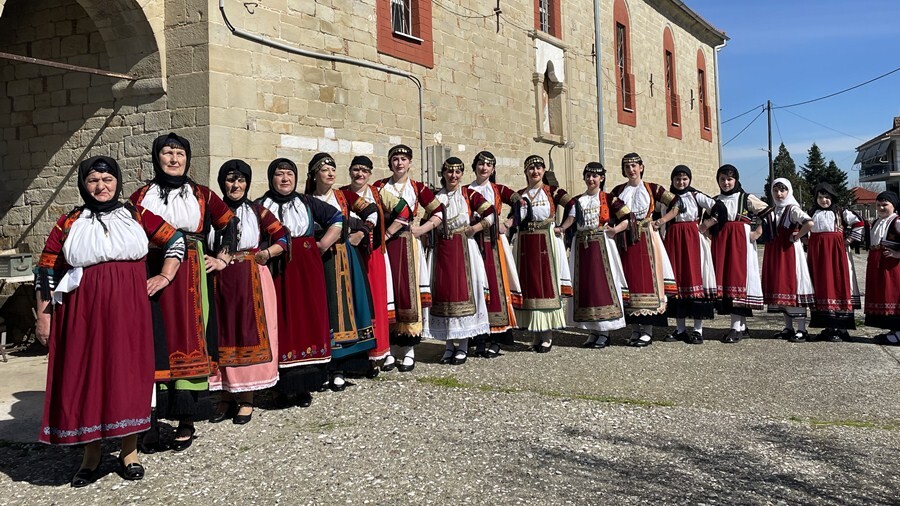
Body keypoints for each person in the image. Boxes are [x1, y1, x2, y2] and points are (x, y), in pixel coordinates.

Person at [35, 156, 184, 486]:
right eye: (93, 181)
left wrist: (164, 276)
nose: (101, 186)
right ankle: (91, 455)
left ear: (118, 181)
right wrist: (44, 318)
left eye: (107, 179)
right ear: (83, 185)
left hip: (129, 310)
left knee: (127, 374)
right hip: (82, 312)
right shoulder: (69, 222)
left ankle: (129, 452)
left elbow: (175, 240)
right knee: (87, 376)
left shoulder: (135, 214)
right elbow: (45, 268)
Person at [130, 133, 237, 452]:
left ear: (188, 159)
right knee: (152, 341)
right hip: (150, 271)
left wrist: (222, 258)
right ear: (156, 158)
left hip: (192, 274)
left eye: (179, 153)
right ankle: (148, 421)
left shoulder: (202, 194)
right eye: (167, 153)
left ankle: (186, 420)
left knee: (190, 339)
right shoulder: (141, 195)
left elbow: (229, 224)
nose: (174, 159)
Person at [258, 158, 343, 406]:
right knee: (281, 321)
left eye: (289, 174)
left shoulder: (306, 202)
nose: (285, 179)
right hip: (277, 268)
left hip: (307, 269)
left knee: (308, 320)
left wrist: (322, 245)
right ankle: (280, 385)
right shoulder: (261, 205)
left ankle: (306, 384)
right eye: (279, 174)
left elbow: (337, 218)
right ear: (271, 178)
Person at [208, 160, 287, 424]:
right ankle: (223, 396)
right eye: (230, 180)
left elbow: (282, 238)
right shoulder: (210, 211)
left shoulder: (257, 211)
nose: (236, 185)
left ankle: (247, 397)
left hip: (250, 277)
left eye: (240, 180)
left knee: (247, 334)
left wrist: (266, 253)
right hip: (217, 279)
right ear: (222, 183)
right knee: (220, 334)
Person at [305, 152, 377, 389]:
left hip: (342, 259)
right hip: (314, 258)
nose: (331, 173)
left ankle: (340, 368)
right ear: (315, 173)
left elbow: (373, 212)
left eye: (333, 169)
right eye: (325, 169)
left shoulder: (344, 196)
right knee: (319, 310)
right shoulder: (306, 199)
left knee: (343, 312)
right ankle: (320, 367)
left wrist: (361, 232)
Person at [373, 144, 444, 372]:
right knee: (388, 291)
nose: (399, 163)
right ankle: (390, 350)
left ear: (410, 162)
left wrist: (422, 230)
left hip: (408, 244)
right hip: (384, 246)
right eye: (395, 159)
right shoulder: (379, 187)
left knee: (407, 293)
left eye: (404, 159)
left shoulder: (418, 187)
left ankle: (409, 350)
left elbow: (439, 212)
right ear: (390, 162)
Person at [426, 157, 495, 365]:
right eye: (449, 172)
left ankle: (463, 346)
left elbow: (490, 213)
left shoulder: (469, 195)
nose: (453, 176)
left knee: (464, 294)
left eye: (457, 172)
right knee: (444, 295)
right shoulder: (436, 198)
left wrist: (475, 228)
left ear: (462, 174)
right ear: (443, 174)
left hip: (464, 249)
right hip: (441, 251)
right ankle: (448, 346)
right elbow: (426, 221)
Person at [609, 153, 679, 347]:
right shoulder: (617, 190)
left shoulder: (652, 188)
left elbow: (676, 203)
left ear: (641, 167)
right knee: (629, 280)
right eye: (627, 167)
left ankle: (647, 330)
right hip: (625, 239)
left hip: (647, 237)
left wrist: (661, 221)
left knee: (647, 280)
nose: (631, 170)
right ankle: (634, 329)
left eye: (634, 166)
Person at [559, 162, 630, 347]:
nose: (591, 179)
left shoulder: (608, 198)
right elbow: (571, 219)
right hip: (582, 245)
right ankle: (591, 330)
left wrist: (615, 230)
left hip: (602, 244)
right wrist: (560, 229)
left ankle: (604, 332)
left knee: (602, 286)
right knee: (586, 287)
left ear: (601, 178)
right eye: (588, 176)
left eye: (595, 176)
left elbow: (628, 217)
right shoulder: (577, 201)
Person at [699, 164, 768, 343]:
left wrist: (757, 232)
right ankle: (741, 327)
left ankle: (736, 328)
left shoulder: (745, 198)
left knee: (738, 280)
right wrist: (709, 234)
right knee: (726, 281)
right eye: (722, 179)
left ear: (736, 179)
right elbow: (704, 222)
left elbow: (768, 213)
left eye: (729, 179)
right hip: (722, 243)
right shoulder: (715, 200)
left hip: (740, 243)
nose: (726, 183)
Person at [512, 154, 572, 353]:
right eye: (531, 168)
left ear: (544, 171)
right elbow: (513, 217)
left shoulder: (552, 191)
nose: (535, 172)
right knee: (529, 286)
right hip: (525, 244)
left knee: (545, 285)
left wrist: (562, 227)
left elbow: (573, 205)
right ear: (525, 172)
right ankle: (535, 334)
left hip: (546, 241)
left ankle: (547, 335)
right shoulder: (520, 195)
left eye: (538, 168)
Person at [466, 150, 523, 357]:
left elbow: (520, 203)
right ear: (475, 166)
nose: (484, 168)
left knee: (496, 287)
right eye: (480, 164)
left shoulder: (499, 190)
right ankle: (478, 337)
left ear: (493, 169)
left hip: (494, 243)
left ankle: (496, 338)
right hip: (472, 242)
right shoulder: (466, 190)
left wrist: (508, 223)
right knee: (476, 286)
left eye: (488, 165)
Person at [342, 155, 394, 370]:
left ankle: (381, 351)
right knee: (354, 302)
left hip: (373, 255)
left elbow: (404, 212)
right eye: (356, 169)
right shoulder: (342, 193)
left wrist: (387, 234)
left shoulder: (378, 193)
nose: (360, 174)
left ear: (370, 174)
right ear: (350, 171)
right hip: (351, 254)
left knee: (376, 302)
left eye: (364, 170)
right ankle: (358, 353)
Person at [660, 165, 717, 344]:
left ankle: (698, 330)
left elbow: (718, 208)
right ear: (672, 180)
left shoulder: (695, 196)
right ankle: (680, 329)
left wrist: (707, 223)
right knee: (677, 281)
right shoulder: (668, 198)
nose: (681, 182)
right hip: (674, 239)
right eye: (677, 179)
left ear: (690, 180)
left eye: (685, 178)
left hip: (693, 239)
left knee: (695, 279)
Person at [806, 183, 864, 341]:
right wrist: (806, 242)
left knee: (838, 283)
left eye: (827, 197)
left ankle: (842, 328)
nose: (823, 200)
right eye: (820, 197)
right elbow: (801, 227)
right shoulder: (811, 212)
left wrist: (849, 239)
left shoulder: (840, 212)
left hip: (836, 253)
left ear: (832, 198)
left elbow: (859, 223)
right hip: (818, 254)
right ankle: (828, 327)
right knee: (821, 285)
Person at [759, 178, 815, 342]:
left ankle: (802, 329)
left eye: (783, 190)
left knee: (793, 286)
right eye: (776, 190)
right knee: (781, 287)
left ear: (788, 191)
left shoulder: (792, 209)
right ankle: (788, 327)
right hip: (776, 253)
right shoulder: (773, 209)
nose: (779, 193)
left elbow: (809, 222)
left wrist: (798, 235)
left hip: (789, 253)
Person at [865, 191, 900, 345]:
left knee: (893, 295)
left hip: (892, 266)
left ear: (894, 205)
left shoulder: (897, 221)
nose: (881, 207)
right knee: (884, 296)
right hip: (878, 264)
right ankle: (893, 330)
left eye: (885, 204)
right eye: (878, 205)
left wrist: (898, 254)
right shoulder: (878, 221)